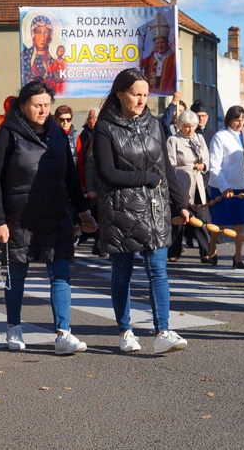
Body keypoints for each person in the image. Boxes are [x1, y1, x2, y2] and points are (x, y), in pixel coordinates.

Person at [0, 80, 96, 355]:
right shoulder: (8, 134)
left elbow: (71, 175)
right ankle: (13, 326)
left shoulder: (58, 134)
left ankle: (63, 333)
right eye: (37, 105)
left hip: (55, 213)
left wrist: (83, 211)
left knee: (60, 273)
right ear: (23, 105)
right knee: (18, 274)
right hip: (19, 216)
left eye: (47, 105)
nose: (42, 110)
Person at [94, 68, 190, 354]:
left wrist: (181, 202)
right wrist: (145, 179)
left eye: (145, 95)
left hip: (156, 207)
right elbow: (107, 172)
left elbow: (165, 168)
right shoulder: (105, 127)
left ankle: (163, 331)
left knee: (158, 270)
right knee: (121, 273)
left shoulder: (153, 124)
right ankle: (125, 331)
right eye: (136, 94)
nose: (141, 100)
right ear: (120, 94)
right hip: (121, 210)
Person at [207, 105, 244, 268]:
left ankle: (238, 257)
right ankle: (212, 246)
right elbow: (214, 166)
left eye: (242, 119)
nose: (240, 123)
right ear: (229, 120)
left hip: (241, 185)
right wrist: (224, 187)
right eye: (236, 119)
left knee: (239, 223)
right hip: (222, 185)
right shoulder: (220, 137)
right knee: (220, 224)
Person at [166, 109, 212, 263]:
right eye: (186, 126)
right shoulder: (174, 140)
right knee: (179, 219)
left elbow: (207, 158)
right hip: (181, 184)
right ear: (180, 126)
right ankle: (174, 251)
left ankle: (206, 251)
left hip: (197, 184)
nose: (190, 129)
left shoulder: (199, 138)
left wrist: (203, 165)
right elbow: (170, 164)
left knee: (201, 219)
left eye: (192, 126)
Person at [78, 109, 102, 255]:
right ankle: (98, 243)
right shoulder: (91, 137)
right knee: (98, 214)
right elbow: (89, 164)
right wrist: (90, 187)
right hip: (97, 185)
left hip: (112, 185)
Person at [140, 14, 177, 95]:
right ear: (154, 44)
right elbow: (139, 65)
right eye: (157, 43)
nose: (160, 45)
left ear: (167, 43)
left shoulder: (173, 57)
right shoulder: (151, 57)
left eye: (162, 42)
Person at [21, 15, 56, 84]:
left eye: (46, 32)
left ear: (50, 35)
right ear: (32, 34)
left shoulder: (53, 57)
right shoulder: (25, 56)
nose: (42, 38)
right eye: (38, 32)